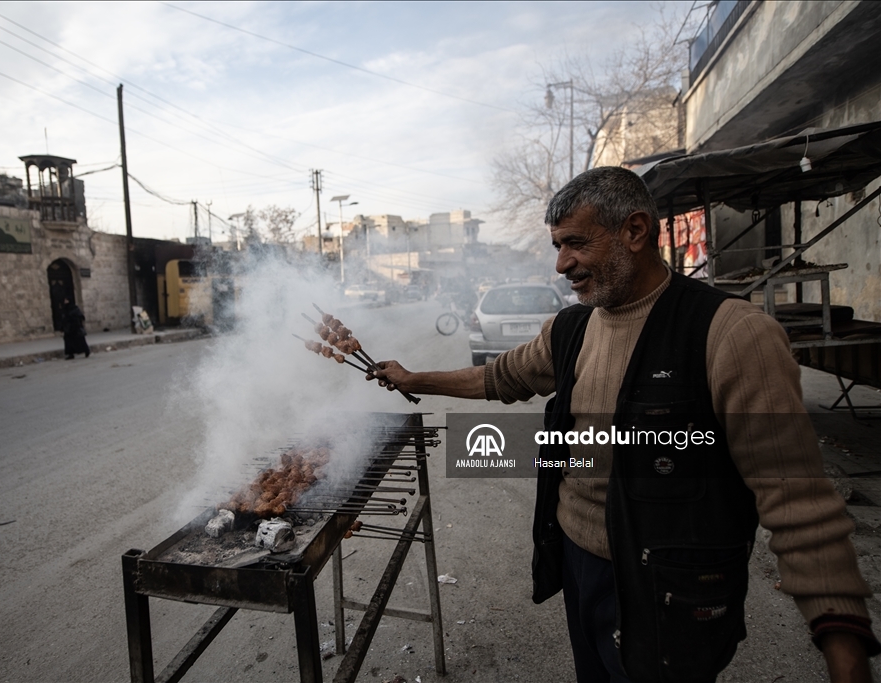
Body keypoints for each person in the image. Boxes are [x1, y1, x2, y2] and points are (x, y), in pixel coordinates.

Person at [369, 167, 878, 683]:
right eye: (558, 246)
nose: (562, 264)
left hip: (670, 586)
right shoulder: (570, 329)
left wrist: (846, 653)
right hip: (579, 567)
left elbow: (797, 500)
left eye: (576, 243)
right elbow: (499, 376)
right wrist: (415, 378)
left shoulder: (733, 334)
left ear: (634, 231)